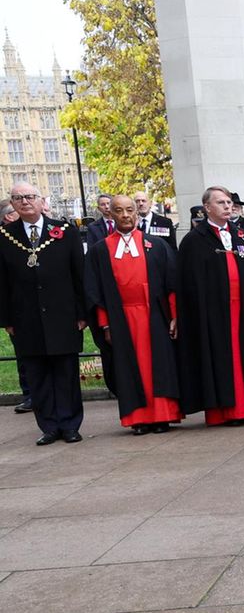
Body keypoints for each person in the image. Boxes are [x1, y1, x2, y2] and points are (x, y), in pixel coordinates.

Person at [176, 187, 244, 426]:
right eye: (221, 203)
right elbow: (189, 283)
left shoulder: (240, 235)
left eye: (229, 202)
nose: (228, 206)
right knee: (224, 358)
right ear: (207, 208)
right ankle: (227, 410)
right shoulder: (195, 240)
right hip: (215, 313)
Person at [84, 194, 181, 434]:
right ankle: (137, 418)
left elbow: (172, 284)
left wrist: (174, 315)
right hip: (122, 319)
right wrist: (105, 325)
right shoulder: (100, 250)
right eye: (119, 210)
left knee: (159, 366)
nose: (125, 215)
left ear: (136, 212)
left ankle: (162, 416)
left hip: (155, 316)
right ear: (111, 214)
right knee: (129, 368)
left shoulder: (156, 245)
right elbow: (95, 293)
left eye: (129, 210)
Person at [1, 181, 86, 444]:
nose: (25, 201)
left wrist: (82, 313)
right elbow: (1, 282)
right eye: (18, 198)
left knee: (65, 373)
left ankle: (70, 425)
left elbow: (79, 275)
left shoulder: (64, 231)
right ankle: (49, 426)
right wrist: (6, 319)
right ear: (12, 204)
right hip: (26, 318)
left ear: (40, 200)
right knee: (37, 375)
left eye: (29, 197)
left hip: (63, 315)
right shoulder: (5, 236)